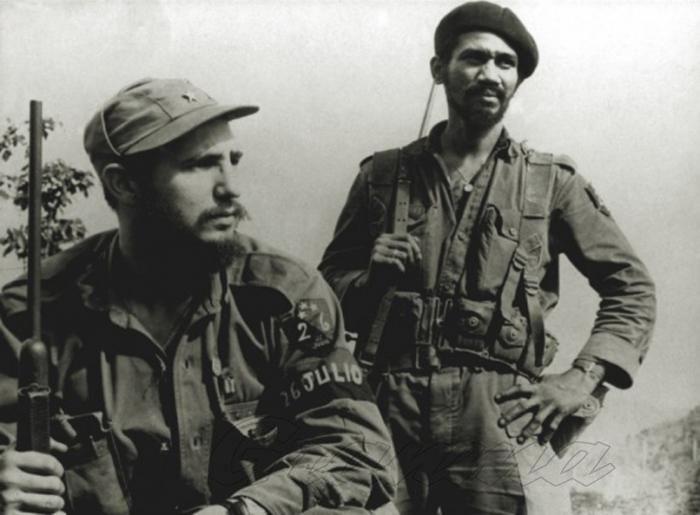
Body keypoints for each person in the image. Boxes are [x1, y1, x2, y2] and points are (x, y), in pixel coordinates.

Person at [0, 78, 398, 515]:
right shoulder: (35, 313)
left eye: (232, 160)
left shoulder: (282, 295)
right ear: (123, 184)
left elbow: (356, 448)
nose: (231, 188)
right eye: (200, 165)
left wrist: (246, 510)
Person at [318, 2, 656, 514]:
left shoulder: (552, 183)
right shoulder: (380, 176)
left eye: (505, 63)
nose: (491, 74)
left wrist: (581, 377)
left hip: (503, 412)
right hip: (387, 407)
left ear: (517, 80)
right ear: (439, 69)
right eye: (474, 58)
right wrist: (368, 279)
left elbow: (632, 286)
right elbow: (324, 290)